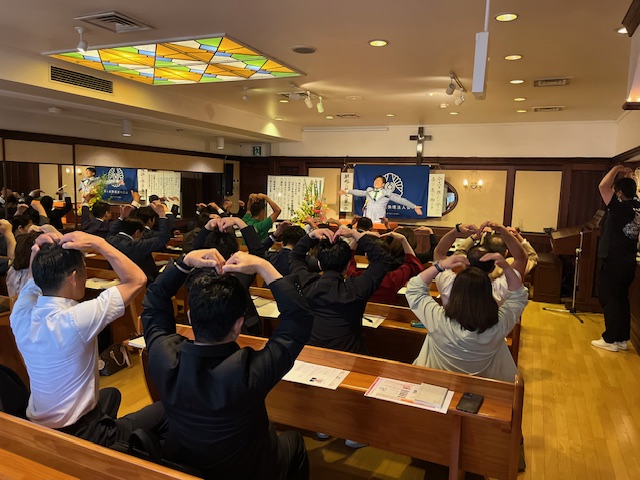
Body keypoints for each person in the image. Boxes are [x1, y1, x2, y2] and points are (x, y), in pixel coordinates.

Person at [142, 249, 313, 480]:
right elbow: (298, 321)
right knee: (294, 441)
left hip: (184, 466)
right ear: (238, 325)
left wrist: (184, 262)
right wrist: (263, 266)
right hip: (247, 471)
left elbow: (154, 302)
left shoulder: (163, 357)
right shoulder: (249, 373)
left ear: (190, 317)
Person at [10, 230, 166, 446]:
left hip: (39, 423)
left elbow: (31, 282)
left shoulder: (20, 314)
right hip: (81, 432)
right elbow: (137, 280)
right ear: (74, 277)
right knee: (165, 410)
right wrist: (98, 243)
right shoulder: (75, 319)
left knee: (112, 394)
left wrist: (36, 251)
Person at [405, 251, 529, 382]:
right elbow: (519, 296)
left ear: (455, 293)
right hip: (484, 389)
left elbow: (414, 288)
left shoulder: (438, 320)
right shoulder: (499, 326)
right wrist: (507, 268)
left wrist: (439, 266)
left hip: (437, 384)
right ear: (488, 295)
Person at [290, 226, 392, 354]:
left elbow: (295, 256)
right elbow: (382, 259)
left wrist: (311, 236)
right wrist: (356, 234)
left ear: (319, 263)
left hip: (311, 352)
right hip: (349, 355)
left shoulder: (307, 285)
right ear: (348, 265)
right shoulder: (356, 289)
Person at [592, 165, 640, 352]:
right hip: (629, 260)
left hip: (614, 259)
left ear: (619, 193)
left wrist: (617, 168)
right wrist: (628, 178)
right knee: (621, 299)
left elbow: (603, 186)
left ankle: (610, 339)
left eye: (616, 191)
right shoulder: (637, 205)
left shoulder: (620, 208)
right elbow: (630, 190)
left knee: (610, 297)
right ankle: (622, 339)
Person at [432, 222, 527, 306]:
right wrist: (503, 231)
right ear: (492, 268)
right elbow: (521, 258)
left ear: (466, 264)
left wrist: (456, 231)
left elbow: (439, 252)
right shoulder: (498, 291)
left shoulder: (449, 286)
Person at [346, 231, 423, 305]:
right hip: (387, 313)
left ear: (366, 255)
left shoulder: (357, 276)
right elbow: (413, 264)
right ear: (388, 256)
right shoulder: (393, 279)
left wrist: (359, 236)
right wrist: (403, 240)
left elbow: (347, 259)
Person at [107, 203, 171, 284]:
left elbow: (112, 232)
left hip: (116, 277)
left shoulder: (110, 240)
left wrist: (122, 217)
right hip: (141, 282)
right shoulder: (136, 245)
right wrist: (162, 215)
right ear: (137, 232)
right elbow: (163, 238)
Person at [339, 175, 423, 221]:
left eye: (379, 181)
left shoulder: (387, 193)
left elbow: (400, 200)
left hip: (379, 218)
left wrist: (414, 206)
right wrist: (347, 191)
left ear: (383, 184)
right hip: (367, 218)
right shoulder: (369, 190)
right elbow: (359, 192)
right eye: (375, 181)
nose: (376, 182)